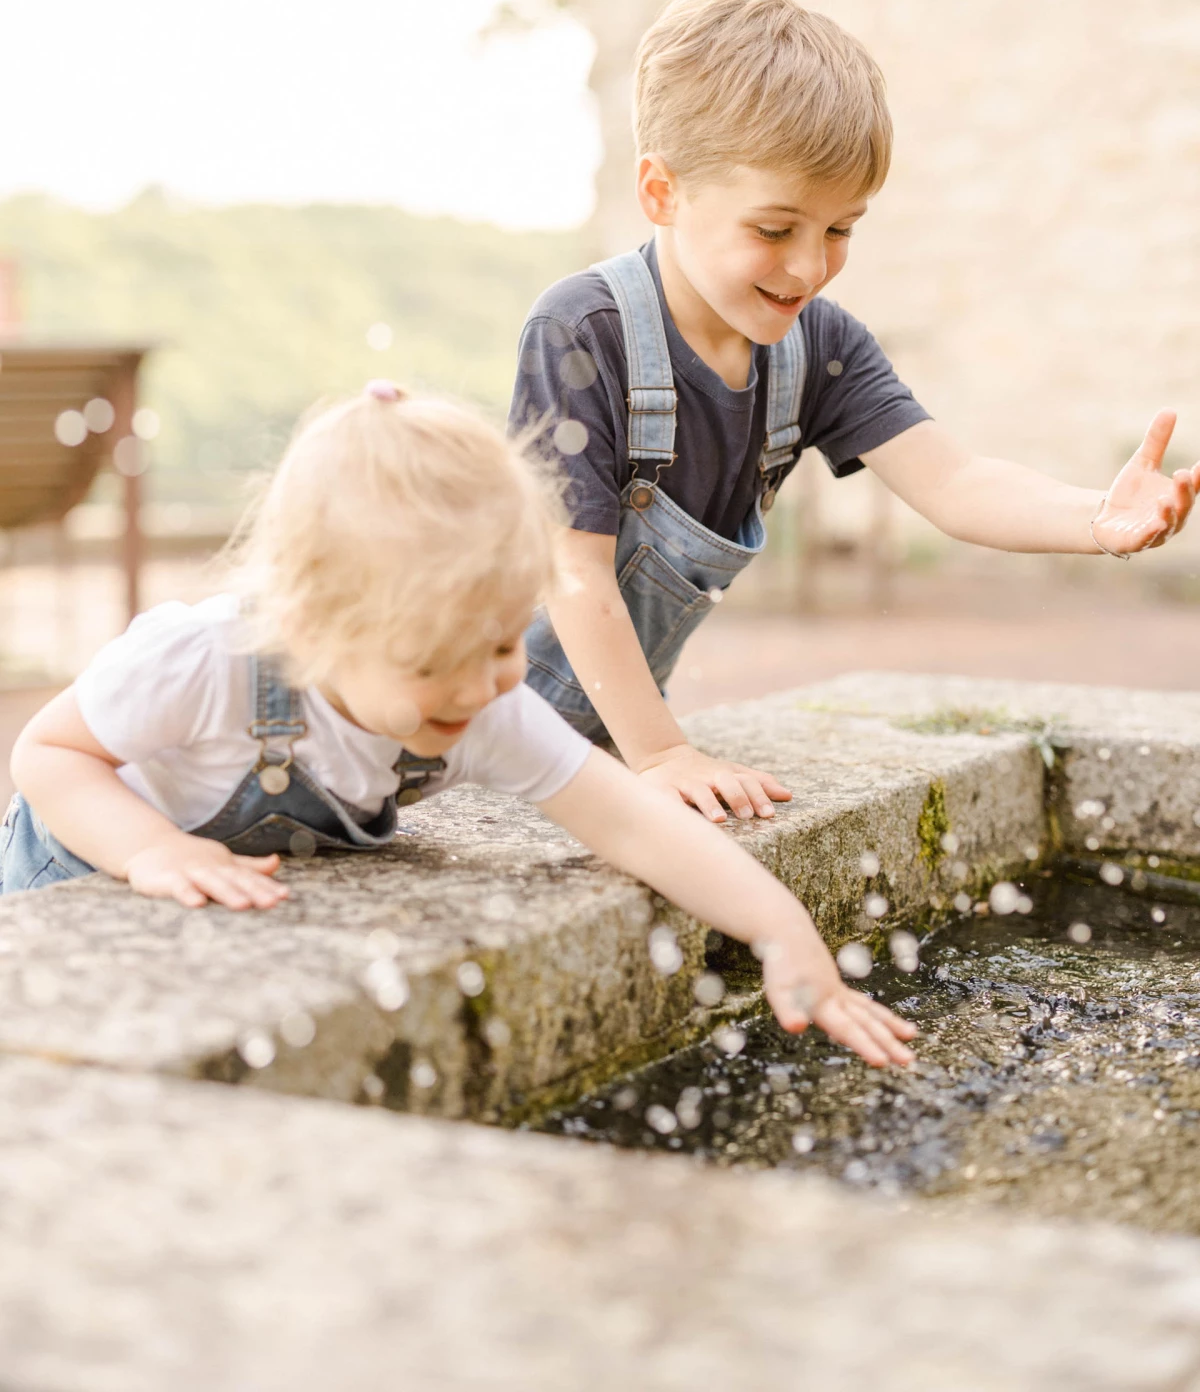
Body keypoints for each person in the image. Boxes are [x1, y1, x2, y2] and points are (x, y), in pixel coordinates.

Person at [4, 382, 915, 1070]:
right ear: (314, 627)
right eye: (438, 660)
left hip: (224, 896)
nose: (484, 684)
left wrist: (782, 931)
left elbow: (633, 822)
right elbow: (48, 752)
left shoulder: (479, 698)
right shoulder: (206, 661)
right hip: (73, 870)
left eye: (505, 641)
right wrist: (150, 851)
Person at [511, 0, 1200, 823]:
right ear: (663, 193)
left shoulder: (819, 348)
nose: (808, 268)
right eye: (774, 230)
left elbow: (956, 483)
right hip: (465, 727)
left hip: (596, 744)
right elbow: (572, 573)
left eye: (840, 231)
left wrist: (1096, 517)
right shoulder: (583, 331)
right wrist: (661, 751)